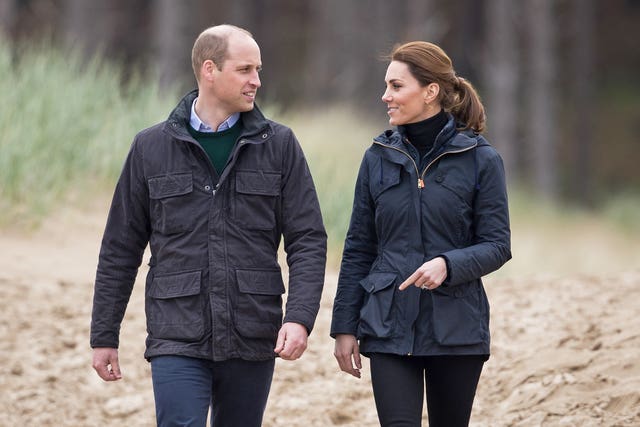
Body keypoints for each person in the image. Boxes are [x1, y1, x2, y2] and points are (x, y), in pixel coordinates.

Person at [90, 24, 327, 427]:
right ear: (210, 69)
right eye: (245, 69)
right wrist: (104, 335)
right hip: (176, 331)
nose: (257, 81)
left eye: (259, 69)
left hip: (252, 329)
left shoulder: (280, 145)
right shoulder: (150, 147)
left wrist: (299, 317)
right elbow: (120, 247)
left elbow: (307, 240)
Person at [331, 41, 511, 427]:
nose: (386, 96)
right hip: (387, 325)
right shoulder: (377, 156)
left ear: (430, 92)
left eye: (396, 86)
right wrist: (344, 326)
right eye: (386, 86)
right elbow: (359, 246)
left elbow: (498, 245)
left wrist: (449, 263)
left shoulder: (481, 159)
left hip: (457, 329)